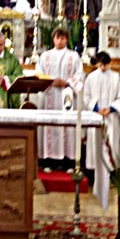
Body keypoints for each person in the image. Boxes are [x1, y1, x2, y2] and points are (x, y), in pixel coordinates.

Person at [36, 28, 84, 172]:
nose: (60, 41)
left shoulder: (73, 56)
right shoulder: (45, 56)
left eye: (63, 38)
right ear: (53, 39)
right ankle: (48, 161)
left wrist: (67, 82)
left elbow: (80, 74)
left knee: (67, 127)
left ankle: (68, 162)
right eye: (57, 38)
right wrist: (51, 81)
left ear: (66, 39)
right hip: (49, 95)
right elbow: (39, 73)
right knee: (49, 127)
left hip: (66, 94)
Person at [83, 51, 120, 175]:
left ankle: (111, 170)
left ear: (109, 64)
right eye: (100, 65)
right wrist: (96, 109)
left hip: (111, 116)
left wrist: (111, 108)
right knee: (95, 143)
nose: (103, 68)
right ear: (97, 64)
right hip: (96, 115)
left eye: (105, 65)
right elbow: (86, 97)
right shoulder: (91, 77)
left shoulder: (116, 77)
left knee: (111, 142)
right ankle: (94, 171)